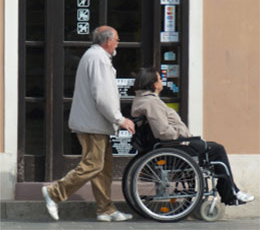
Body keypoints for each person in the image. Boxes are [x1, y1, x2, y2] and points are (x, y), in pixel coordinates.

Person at [42, 26, 135, 222]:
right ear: (107, 41)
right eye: (116, 39)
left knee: (103, 168)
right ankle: (54, 192)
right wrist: (119, 119)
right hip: (92, 124)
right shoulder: (98, 59)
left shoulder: (95, 57)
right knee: (93, 165)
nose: (118, 43)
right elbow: (103, 96)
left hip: (94, 123)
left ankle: (105, 209)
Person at [131, 67, 254, 206]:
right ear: (154, 84)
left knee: (210, 147)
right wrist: (182, 135)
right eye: (160, 79)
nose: (162, 81)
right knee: (217, 150)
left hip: (168, 147)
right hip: (171, 147)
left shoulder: (143, 100)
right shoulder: (151, 103)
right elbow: (163, 132)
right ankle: (231, 192)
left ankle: (230, 190)